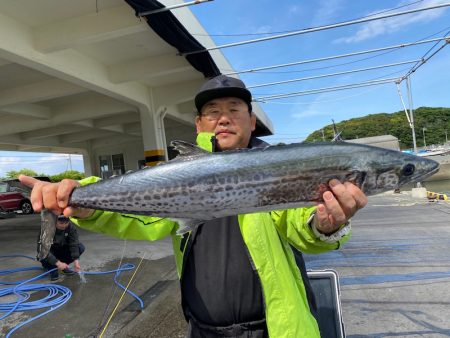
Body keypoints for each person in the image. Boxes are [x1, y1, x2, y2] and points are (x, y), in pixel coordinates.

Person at [20, 74, 367, 337]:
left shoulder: (278, 168)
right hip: (202, 330)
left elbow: (301, 226)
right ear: (199, 124)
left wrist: (326, 224)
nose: (224, 118)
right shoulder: (178, 173)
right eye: (213, 112)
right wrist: (82, 196)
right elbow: (139, 219)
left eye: (234, 110)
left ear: (251, 120)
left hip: (276, 329)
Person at [39, 215, 85, 281]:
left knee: (80, 247)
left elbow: (74, 243)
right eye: (61, 223)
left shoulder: (70, 227)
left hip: (60, 250)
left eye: (66, 223)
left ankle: (63, 266)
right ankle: (52, 267)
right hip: (49, 253)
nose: (64, 225)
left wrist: (76, 260)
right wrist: (58, 263)